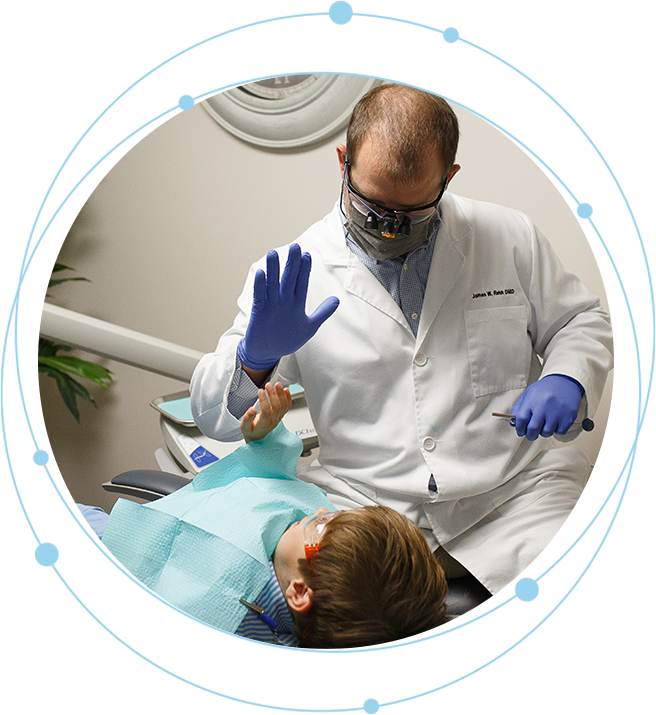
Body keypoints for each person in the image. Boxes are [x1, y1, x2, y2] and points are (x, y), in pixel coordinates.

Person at [190, 82, 614, 603]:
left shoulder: (508, 235)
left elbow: (580, 321)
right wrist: (255, 360)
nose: (389, 230)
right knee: (336, 617)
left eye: (410, 214)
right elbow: (215, 418)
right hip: (366, 508)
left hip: (515, 497)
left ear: (448, 178)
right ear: (343, 161)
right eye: (372, 208)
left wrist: (567, 377)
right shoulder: (292, 272)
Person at [80, 382, 449, 648]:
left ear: (300, 592)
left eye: (321, 523)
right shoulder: (316, 553)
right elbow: (276, 481)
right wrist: (266, 440)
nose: (321, 510)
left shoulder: (230, 615)